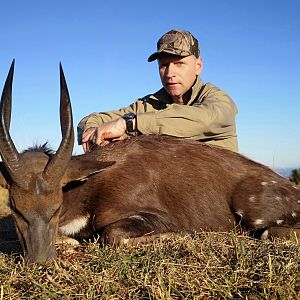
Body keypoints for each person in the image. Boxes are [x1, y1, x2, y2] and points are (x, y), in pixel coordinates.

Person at [78, 29, 238, 153]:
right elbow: (91, 119)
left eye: (179, 63)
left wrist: (130, 124)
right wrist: (91, 131)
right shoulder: (149, 105)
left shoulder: (218, 100)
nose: (170, 73)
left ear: (198, 66)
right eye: (164, 65)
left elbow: (204, 119)